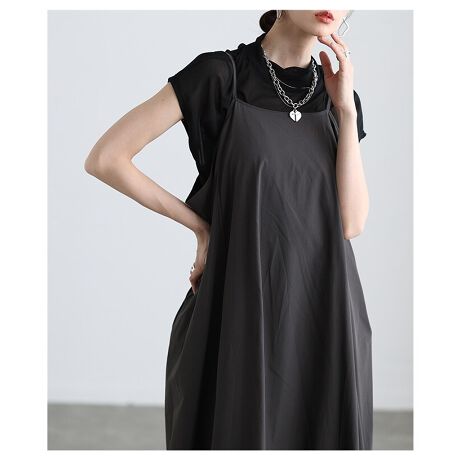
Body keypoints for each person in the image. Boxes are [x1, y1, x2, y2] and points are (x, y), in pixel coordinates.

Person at [84, 9, 373, 450]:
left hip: (326, 311)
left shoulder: (341, 98)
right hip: (238, 307)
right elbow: (106, 158)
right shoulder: (220, 76)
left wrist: (346, 111)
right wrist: (200, 228)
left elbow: (351, 222)